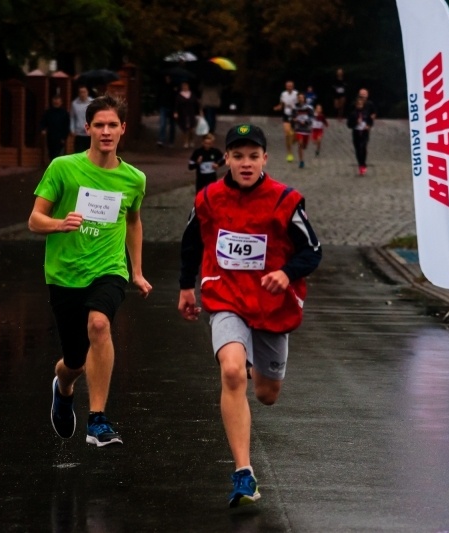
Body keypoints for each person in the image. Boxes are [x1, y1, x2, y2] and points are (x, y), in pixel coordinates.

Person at [177, 123, 322, 508]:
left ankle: (255, 364)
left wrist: (286, 272)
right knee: (230, 370)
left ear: (264, 159)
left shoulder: (285, 201)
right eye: (238, 156)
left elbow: (313, 252)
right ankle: (244, 473)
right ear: (226, 159)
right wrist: (185, 286)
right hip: (225, 297)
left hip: (273, 305)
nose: (245, 163)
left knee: (266, 394)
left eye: (253, 156)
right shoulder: (208, 198)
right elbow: (191, 242)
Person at [28, 94, 153, 447]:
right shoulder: (63, 168)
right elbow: (34, 220)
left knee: (100, 323)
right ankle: (63, 386)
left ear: (123, 129)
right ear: (87, 128)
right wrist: (58, 224)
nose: (106, 131)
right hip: (65, 273)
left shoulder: (134, 179)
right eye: (99, 124)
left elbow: (133, 222)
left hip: (109, 269)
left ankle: (97, 419)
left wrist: (137, 271)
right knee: (74, 362)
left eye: (113, 124)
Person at [272, 80, 298, 162]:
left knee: (294, 136)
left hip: (294, 115)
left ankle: (293, 139)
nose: (289, 87)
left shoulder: (296, 94)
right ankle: (289, 153)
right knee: (287, 133)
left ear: (293, 87)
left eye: (291, 86)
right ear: (286, 87)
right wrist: (278, 107)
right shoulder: (283, 94)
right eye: (288, 86)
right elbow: (282, 104)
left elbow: (299, 104)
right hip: (286, 115)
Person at [40, 94, 71, 161]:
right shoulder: (48, 112)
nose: (56, 103)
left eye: (57, 102)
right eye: (55, 102)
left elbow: (67, 126)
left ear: (61, 102)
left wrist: (64, 138)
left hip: (60, 138)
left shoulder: (64, 113)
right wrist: (43, 129)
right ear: (52, 102)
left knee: (59, 156)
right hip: (50, 137)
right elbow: (43, 122)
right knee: (51, 155)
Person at [347, 98, 373, 176]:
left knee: (363, 147)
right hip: (356, 133)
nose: (360, 105)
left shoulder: (366, 113)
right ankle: (360, 164)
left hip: (364, 132)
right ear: (356, 105)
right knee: (358, 149)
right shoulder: (353, 114)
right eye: (358, 104)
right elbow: (349, 125)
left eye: (361, 104)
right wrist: (356, 122)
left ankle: (363, 164)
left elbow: (370, 121)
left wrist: (368, 126)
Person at [291, 93, 314, 169]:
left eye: (302, 97)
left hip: (306, 129)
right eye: (299, 97)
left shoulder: (309, 107)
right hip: (298, 129)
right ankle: (301, 161)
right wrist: (295, 121)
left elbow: (311, 117)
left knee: (304, 146)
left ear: (304, 98)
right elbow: (293, 117)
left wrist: (306, 122)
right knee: (300, 144)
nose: (300, 99)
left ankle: (302, 148)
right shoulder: (295, 107)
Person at [174, 82, 200, 149]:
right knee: (184, 129)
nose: (185, 87)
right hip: (183, 114)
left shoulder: (192, 94)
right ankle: (185, 142)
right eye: (184, 86)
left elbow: (196, 104)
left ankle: (191, 140)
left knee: (191, 128)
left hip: (191, 113)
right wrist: (176, 112)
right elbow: (176, 105)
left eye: (186, 86)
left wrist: (200, 112)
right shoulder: (179, 95)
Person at [70, 85, 93, 153]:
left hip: (90, 132)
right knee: (79, 152)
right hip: (79, 133)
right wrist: (72, 129)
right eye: (81, 92)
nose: (82, 94)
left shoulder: (92, 103)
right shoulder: (74, 104)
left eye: (84, 92)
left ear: (87, 92)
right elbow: (72, 117)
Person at [156, 74, 177, 147]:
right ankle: (161, 139)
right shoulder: (162, 86)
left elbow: (175, 99)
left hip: (171, 107)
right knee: (163, 124)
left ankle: (171, 140)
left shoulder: (174, 88)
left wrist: (175, 110)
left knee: (172, 125)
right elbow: (159, 96)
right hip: (163, 106)